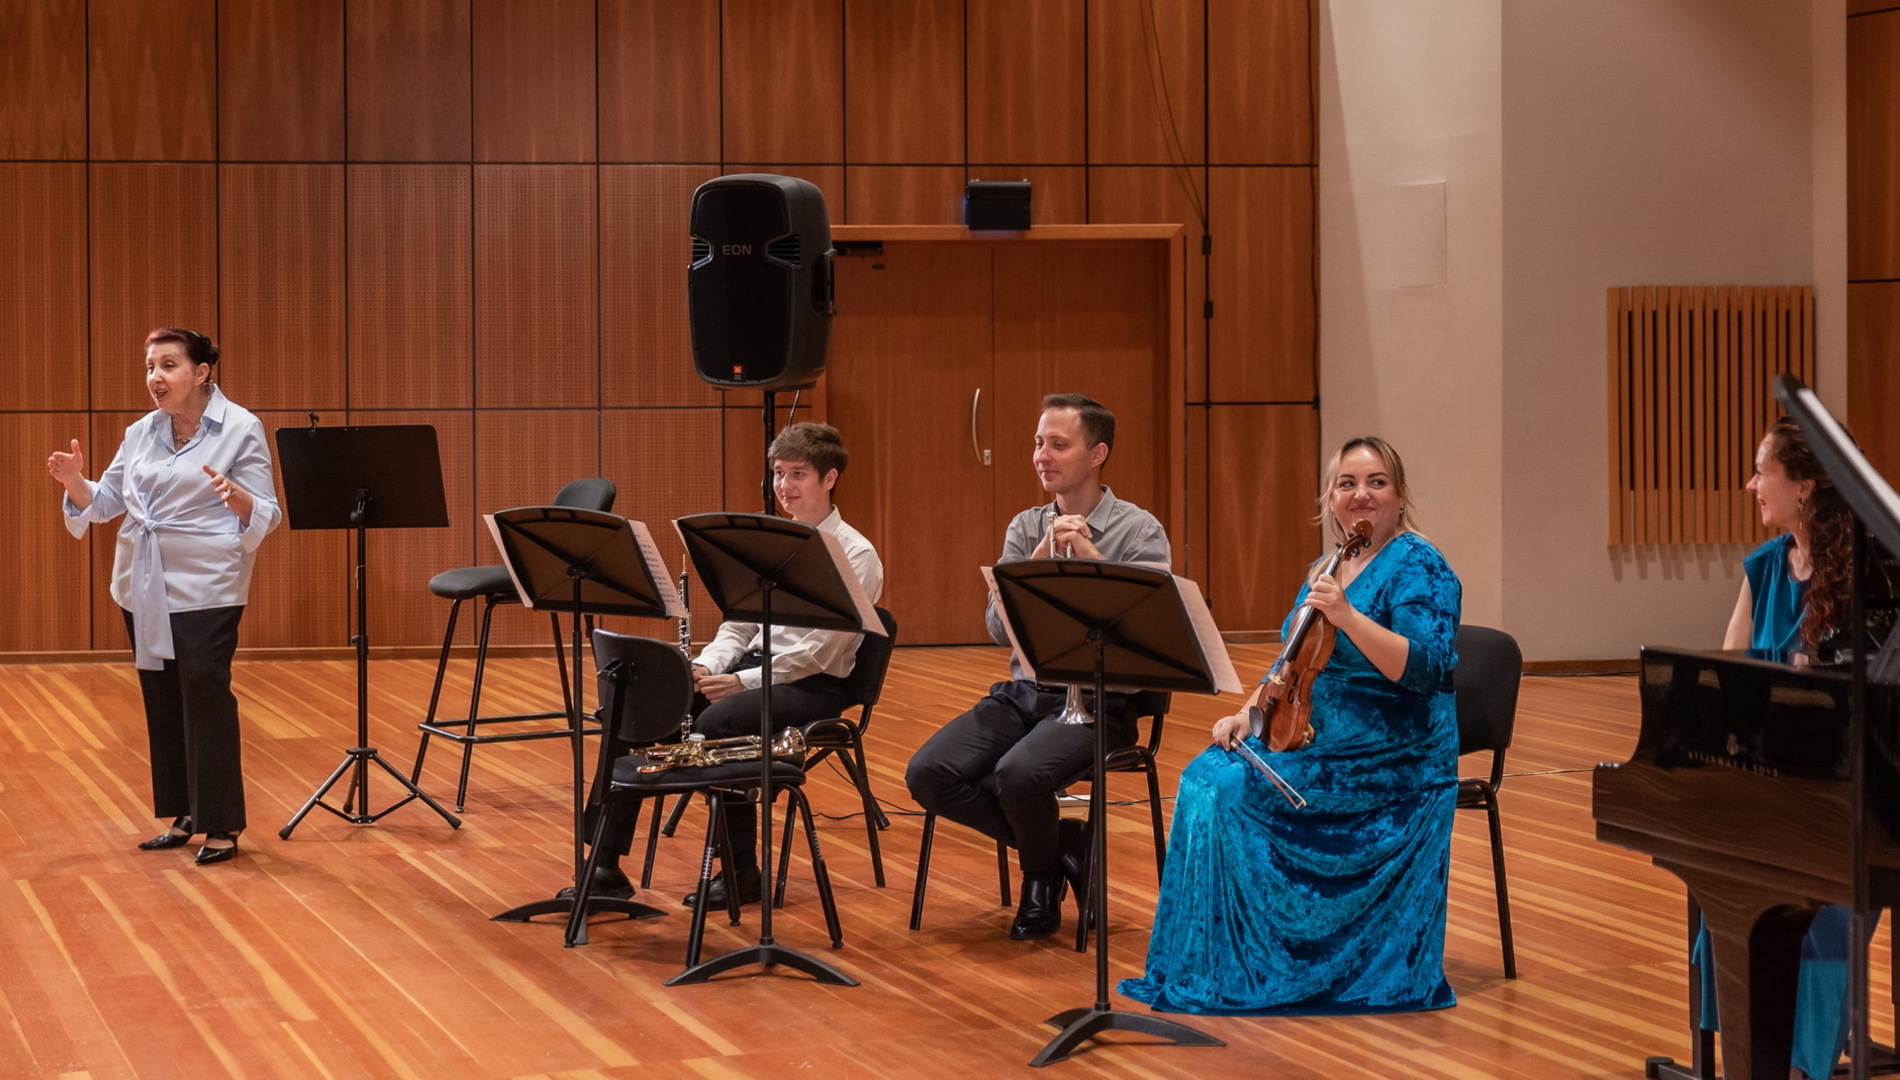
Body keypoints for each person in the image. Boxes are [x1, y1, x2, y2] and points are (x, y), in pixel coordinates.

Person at [1120, 435, 1461, 1014]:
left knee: (1231, 790)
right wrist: (1247, 713)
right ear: (1330, 499)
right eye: (1346, 484)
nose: (1360, 495)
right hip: (1320, 736)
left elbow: (1426, 670)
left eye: (1376, 482)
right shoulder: (1329, 567)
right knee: (1204, 776)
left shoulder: (1420, 565)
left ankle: (1265, 966)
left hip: (1392, 755)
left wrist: (1348, 616)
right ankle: (1216, 963)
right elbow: (1290, 663)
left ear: (1400, 496)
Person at [569, 422, 883, 906]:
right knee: (636, 705)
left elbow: (820, 652)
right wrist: (705, 667)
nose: (784, 485)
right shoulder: (769, 541)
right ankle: (605, 866)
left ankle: (741, 872)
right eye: (778, 473)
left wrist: (740, 682)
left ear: (830, 478)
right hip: (749, 672)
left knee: (720, 724)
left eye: (798, 474)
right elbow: (738, 626)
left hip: (812, 683)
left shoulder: (856, 554)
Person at [905, 393, 1170, 941]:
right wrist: (1035, 565)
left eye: (1058, 444)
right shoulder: (1026, 527)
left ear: (1097, 454)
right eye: (1038, 443)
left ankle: (1038, 881)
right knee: (928, 772)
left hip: (1101, 702)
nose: (1041, 455)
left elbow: (1147, 633)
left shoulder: (1139, 530)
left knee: (1019, 775)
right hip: (1025, 693)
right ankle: (1060, 848)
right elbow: (997, 629)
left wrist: (1092, 560)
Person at [45, 328, 281, 866]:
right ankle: (185, 813)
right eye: (150, 366)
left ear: (201, 373)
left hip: (208, 582)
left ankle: (221, 821)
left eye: (168, 365)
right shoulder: (140, 432)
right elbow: (105, 502)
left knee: (204, 687)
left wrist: (240, 497)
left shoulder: (241, 427)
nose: (155, 376)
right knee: (163, 693)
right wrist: (75, 481)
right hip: (143, 581)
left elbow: (267, 511)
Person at [1707, 416, 1887, 1080]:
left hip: (1847, 789)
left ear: (1806, 486)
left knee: (1815, 914)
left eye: (1763, 472)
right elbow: (1729, 674)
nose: (1750, 484)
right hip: (1776, 785)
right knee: (1727, 896)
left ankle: (1801, 1063)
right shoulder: (1764, 567)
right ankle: (1750, 1053)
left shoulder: (1873, 573)